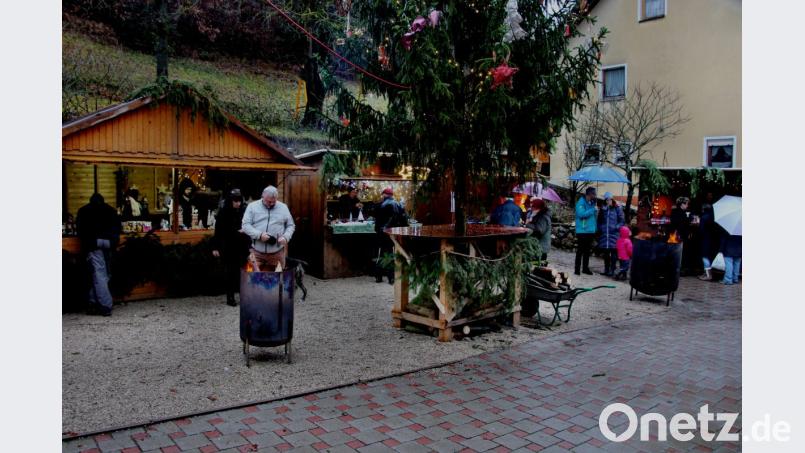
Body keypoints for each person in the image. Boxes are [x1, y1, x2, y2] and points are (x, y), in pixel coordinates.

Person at [76, 193, 121, 316]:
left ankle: (105, 305)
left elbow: (80, 231)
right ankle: (93, 303)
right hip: (109, 244)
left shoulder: (83, 211)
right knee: (104, 274)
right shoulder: (111, 210)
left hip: (93, 244)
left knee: (98, 274)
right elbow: (118, 228)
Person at [242, 186, 296, 270]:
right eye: (269, 201)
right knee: (254, 280)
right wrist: (259, 235)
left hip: (277, 254)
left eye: (274, 201)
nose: (271, 204)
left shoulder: (283, 207)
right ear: (262, 197)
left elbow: (291, 225)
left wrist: (286, 237)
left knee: (277, 281)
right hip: (256, 253)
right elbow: (245, 225)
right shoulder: (252, 207)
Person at [212, 189, 250, 306]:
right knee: (230, 273)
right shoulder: (224, 212)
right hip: (229, 246)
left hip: (242, 246)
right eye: (235, 201)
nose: (238, 203)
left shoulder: (244, 211)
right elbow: (218, 231)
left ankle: (244, 297)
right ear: (230, 201)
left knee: (243, 272)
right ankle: (230, 297)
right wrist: (215, 247)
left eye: (239, 201)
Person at [374, 187, 407, 284]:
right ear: (392, 195)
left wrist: (381, 229)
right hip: (394, 233)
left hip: (382, 232)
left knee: (381, 253)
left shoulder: (380, 205)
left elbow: (377, 220)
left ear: (384, 195)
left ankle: (379, 276)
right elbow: (403, 220)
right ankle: (391, 277)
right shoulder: (398, 204)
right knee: (390, 253)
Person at [597, 192, 625, 276]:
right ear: (605, 200)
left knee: (614, 253)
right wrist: (601, 228)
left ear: (612, 200)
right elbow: (599, 220)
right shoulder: (603, 209)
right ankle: (606, 269)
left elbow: (622, 221)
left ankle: (612, 270)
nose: (608, 201)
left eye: (609, 199)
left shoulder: (617, 209)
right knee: (606, 252)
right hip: (605, 234)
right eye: (606, 200)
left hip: (614, 234)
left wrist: (617, 227)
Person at [574, 187, 597, 275]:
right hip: (583, 231)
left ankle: (585, 268)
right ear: (589, 194)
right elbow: (581, 214)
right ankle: (577, 269)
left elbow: (592, 217)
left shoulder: (591, 203)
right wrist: (593, 210)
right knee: (580, 251)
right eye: (593, 194)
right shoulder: (581, 202)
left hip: (590, 231)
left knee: (587, 251)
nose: (595, 196)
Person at [697, 194, 720, 281]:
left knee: (704, 256)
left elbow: (701, 230)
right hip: (713, 240)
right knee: (709, 256)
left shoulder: (704, 217)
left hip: (705, 239)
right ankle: (706, 273)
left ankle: (708, 275)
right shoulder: (715, 217)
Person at [525, 198, 551, 262]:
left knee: (538, 268)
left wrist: (528, 224)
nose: (531, 208)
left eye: (533, 206)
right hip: (537, 247)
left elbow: (539, 231)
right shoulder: (538, 215)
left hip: (541, 248)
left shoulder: (543, 217)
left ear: (537, 207)